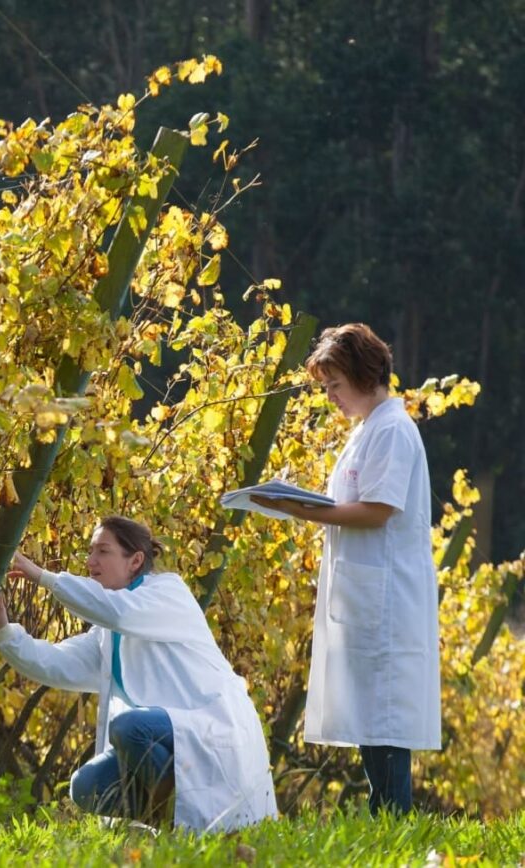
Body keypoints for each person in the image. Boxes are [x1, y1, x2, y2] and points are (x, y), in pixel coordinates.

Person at [251, 322, 441, 815]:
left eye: (335, 385)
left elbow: (378, 510)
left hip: (387, 600)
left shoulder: (394, 430)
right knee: (371, 716)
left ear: (364, 373)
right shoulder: (367, 432)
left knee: (385, 719)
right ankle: (386, 819)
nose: (330, 396)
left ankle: (394, 821)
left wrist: (301, 509)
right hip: (364, 597)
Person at [0, 515, 278, 831]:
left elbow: (119, 613)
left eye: (103, 551)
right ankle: (169, 822)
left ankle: (181, 828)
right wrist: (3, 633)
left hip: (213, 725)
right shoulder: (108, 635)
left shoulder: (168, 592)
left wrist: (43, 577)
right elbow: (55, 663)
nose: (90, 560)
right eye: (91, 551)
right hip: (170, 738)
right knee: (86, 785)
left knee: (128, 727)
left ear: (135, 560)